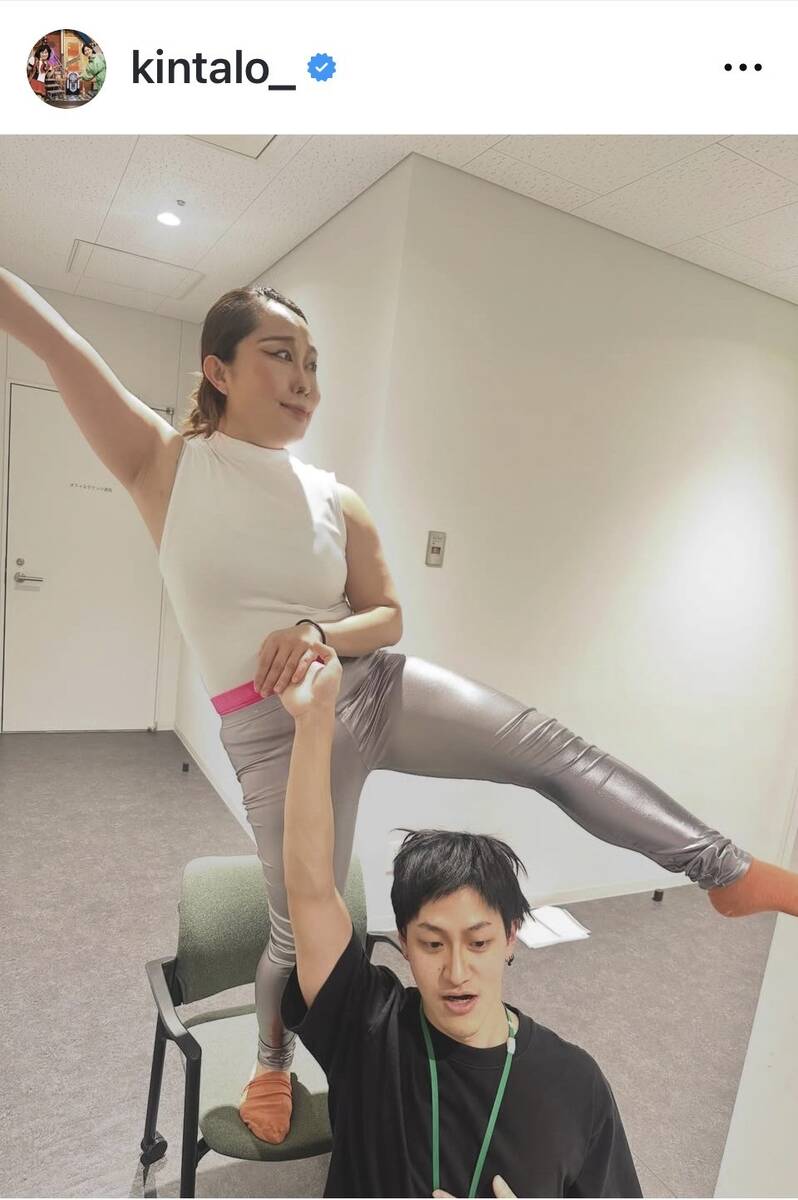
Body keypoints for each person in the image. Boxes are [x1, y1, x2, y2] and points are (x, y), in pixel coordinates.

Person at [1, 268, 796, 1147]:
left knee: (549, 749)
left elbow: (385, 615)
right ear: (217, 370)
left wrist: (318, 630)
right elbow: (52, 341)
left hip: (374, 687)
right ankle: (272, 1062)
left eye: (313, 362)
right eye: (280, 356)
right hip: (273, 730)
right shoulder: (165, 466)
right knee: (299, 927)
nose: (304, 379)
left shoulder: (332, 497)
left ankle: (724, 870)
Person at [278, 644, 642, 1198]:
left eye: (478, 942)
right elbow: (309, 889)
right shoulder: (367, 1029)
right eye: (432, 944)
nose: (456, 971)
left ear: (511, 937)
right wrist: (313, 721)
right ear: (404, 942)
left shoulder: (575, 1085)